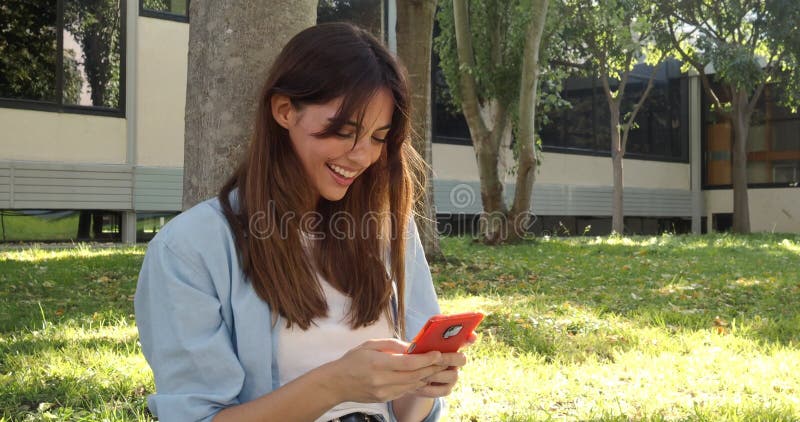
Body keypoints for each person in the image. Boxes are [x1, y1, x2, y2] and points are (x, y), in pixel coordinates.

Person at [134, 23, 474, 422]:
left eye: (379, 138)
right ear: (284, 110)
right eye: (344, 131)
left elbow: (407, 414)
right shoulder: (190, 249)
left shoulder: (385, 228)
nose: (361, 156)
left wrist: (422, 384)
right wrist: (335, 384)